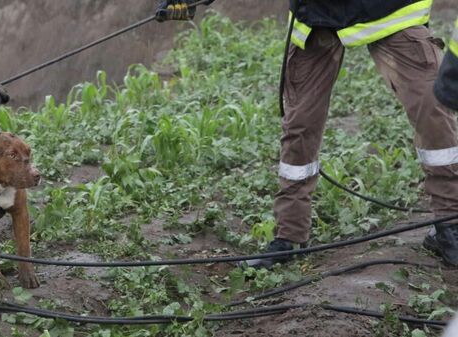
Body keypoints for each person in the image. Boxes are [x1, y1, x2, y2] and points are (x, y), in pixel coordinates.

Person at [157, 0, 458, 269]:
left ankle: (450, 224)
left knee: (433, 110)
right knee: (300, 126)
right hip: (316, 16)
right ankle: (289, 236)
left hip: (390, 10)